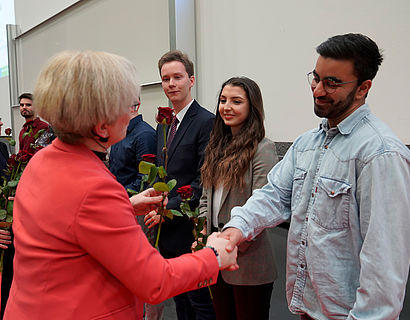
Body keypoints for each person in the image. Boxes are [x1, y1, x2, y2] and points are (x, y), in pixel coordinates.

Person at [4, 50, 237, 320]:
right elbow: (155, 280)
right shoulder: (95, 188)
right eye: (126, 105)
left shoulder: (42, 161)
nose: (132, 112)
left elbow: (67, 220)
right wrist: (214, 256)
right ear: (102, 126)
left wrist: (126, 205)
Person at [220, 33, 410, 319]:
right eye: (316, 78)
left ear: (363, 88)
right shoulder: (307, 144)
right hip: (307, 308)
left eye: (332, 83)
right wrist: (236, 229)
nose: (318, 89)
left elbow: (384, 262)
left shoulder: (379, 154)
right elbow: (273, 196)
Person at [199, 77, 279, 320]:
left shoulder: (262, 148)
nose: (227, 107)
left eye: (236, 101)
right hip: (216, 254)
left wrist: (231, 245)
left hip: (248, 260)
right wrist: (203, 235)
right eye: (223, 100)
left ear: (251, 107)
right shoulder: (216, 146)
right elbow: (205, 198)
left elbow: (262, 204)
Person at [151, 50, 216, 320]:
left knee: (200, 304)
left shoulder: (206, 121)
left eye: (177, 77)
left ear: (191, 80)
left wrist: (170, 206)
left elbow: (204, 179)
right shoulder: (164, 125)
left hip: (190, 227)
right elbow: (161, 174)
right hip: (165, 227)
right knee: (179, 301)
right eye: (165, 79)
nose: (171, 84)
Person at [108, 99, 161, 320]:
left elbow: (146, 180)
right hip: (122, 207)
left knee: (146, 271)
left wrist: (118, 197)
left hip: (138, 210)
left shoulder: (145, 135)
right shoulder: (120, 133)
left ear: (135, 106)